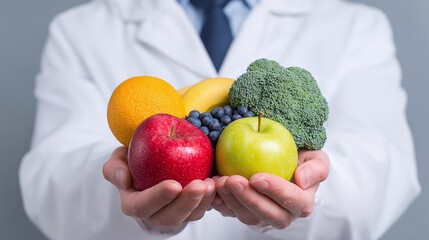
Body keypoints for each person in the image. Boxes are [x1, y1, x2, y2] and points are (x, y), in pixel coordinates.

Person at [19, 0, 421, 239]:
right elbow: (47, 181)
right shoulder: (79, 29)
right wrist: (128, 182)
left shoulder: (355, 25)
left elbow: (388, 171)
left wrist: (309, 189)